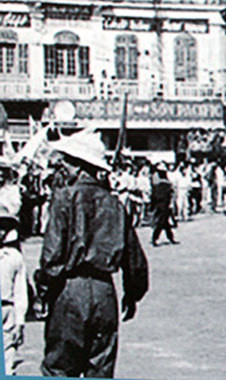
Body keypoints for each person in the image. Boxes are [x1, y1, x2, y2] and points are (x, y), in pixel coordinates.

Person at [36, 131, 148, 378]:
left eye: (66, 160)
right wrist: (132, 293)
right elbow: (135, 260)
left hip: (70, 291)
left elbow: (52, 257)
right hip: (105, 294)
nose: (61, 166)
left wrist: (43, 291)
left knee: (59, 367)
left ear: (78, 165)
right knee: (100, 367)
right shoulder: (115, 204)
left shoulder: (64, 198)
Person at [0, 182, 27, 376]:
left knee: (8, 359)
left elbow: (20, 292)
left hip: (6, 310)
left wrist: (20, 321)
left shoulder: (13, 257)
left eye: (3, 226)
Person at [150, 164, 178, 246]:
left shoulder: (157, 185)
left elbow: (154, 197)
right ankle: (155, 238)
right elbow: (171, 195)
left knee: (165, 223)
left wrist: (152, 206)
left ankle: (170, 238)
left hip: (160, 205)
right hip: (165, 205)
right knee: (162, 223)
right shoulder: (167, 185)